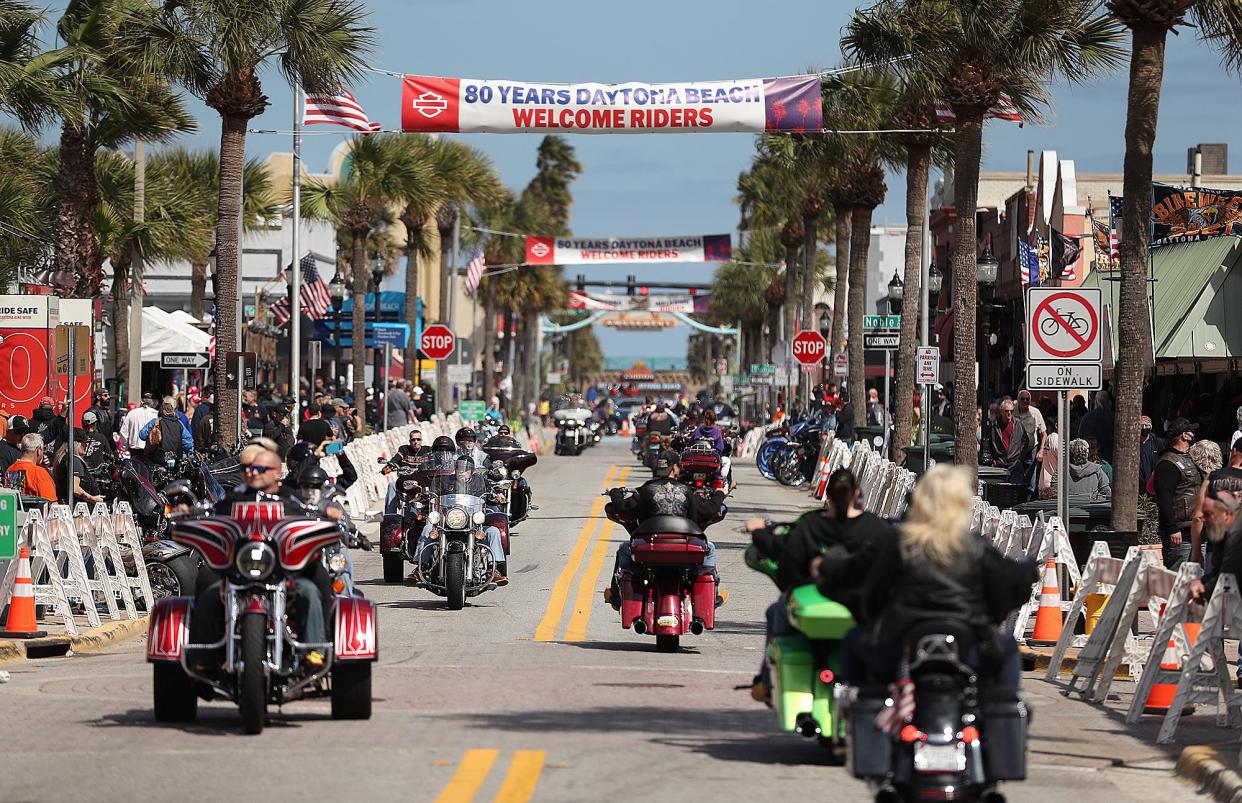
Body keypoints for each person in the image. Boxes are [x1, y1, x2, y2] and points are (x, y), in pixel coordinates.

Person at [829, 465, 1038, 688]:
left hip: (898, 648)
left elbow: (867, 588)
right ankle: (1002, 719)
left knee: (854, 643)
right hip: (966, 647)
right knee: (1007, 656)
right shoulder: (974, 547)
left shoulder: (896, 542)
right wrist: (1026, 572)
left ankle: (862, 714)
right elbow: (1008, 585)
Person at [746, 469, 897, 700]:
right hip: (863, 609)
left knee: (776, 611)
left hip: (815, 606)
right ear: (857, 494)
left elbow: (785, 557)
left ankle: (766, 682)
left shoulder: (811, 525)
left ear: (828, 494)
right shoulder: (876, 528)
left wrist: (758, 533)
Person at [190, 445, 330, 669]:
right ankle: (204, 656)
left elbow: (309, 520)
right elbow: (213, 515)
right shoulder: (234, 498)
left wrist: (326, 517)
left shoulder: (291, 500)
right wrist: (191, 515)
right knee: (207, 588)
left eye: (260, 469)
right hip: (239, 570)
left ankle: (315, 648)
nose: (253, 473)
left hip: (282, 573)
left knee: (311, 591)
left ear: (276, 472)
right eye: (251, 468)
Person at [604, 450, 726, 608]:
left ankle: (616, 597)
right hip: (685, 549)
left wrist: (615, 493)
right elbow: (707, 510)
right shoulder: (686, 490)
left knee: (623, 549)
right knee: (710, 548)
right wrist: (719, 495)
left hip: (650, 549)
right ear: (675, 468)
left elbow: (624, 508)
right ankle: (711, 596)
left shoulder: (646, 490)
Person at [411, 449, 508, 585]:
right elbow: (434, 493)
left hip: (473, 523)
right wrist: (427, 495)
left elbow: (493, 490)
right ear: (455, 470)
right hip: (448, 522)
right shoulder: (445, 481)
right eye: (459, 469)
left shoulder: (480, 482)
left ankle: (494, 570)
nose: (462, 472)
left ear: (471, 471)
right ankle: (421, 568)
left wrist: (497, 493)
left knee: (493, 532)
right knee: (428, 528)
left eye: (466, 470)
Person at [1154, 417, 1202, 570]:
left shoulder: (1190, 458)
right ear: (1184, 436)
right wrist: (1172, 528)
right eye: (1191, 430)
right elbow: (1164, 498)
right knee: (1177, 575)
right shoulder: (1168, 463)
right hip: (1181, 531)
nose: (1194, 433)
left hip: (1195, 527)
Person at [1190, 439, 1242, 567]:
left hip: (1217, 550)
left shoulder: (1212, 477)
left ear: (1234, 451)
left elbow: (1198, 517)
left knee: (1215, 585)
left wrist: (1196, 552)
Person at [988, 399, 1034, 485]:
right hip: (1000, 464)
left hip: (1015, 464)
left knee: (1014, 491)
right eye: (1006, 411)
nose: (1009, 413)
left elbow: (1026, 441)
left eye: (1011, 411)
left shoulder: (1018, 424)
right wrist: (994, 459)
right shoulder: (994, 426)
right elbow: (989, 442)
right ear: (1001, 411)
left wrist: (1019, 459)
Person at [54, 429, 103, 505]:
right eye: (84, 443)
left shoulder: (63, 459)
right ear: (76, 444)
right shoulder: (74, 461)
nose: (86, 446)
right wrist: (92, 499)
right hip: (81, 509)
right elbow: (75, 489)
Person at [139, 398, 194, 466]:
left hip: (157, 459)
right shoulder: (179, 424)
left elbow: (142, 435)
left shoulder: (155, 422)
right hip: (176, 458)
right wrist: (189, 452)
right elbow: (188, 441)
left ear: (161, 411)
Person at [5, 433, 57, 500]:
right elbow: (51, 504)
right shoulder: (40, 473)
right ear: (38, 450)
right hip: (34, 510)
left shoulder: (10, 470)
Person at [689, 409, 732, 487]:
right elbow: (721, 448)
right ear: (714, 420)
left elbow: (689, 444)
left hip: (695, 462)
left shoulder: (698, 430)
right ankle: (724, 480)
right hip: (711, 464)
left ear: (705, 419)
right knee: (727, 461)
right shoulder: (717, 431)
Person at [1077, 390, 1115, 463]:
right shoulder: (1113, 417)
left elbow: (1080, 437)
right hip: (1109, 457)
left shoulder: (1087, 417)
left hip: (1091, 457)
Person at [1015, 390, 1047, 466]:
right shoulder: (1012, 411)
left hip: (1031, 450)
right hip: (1016, 450)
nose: (1025, 401)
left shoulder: (1035, 412)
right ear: (1018, 399)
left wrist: (1041, 450)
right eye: (1022, 399)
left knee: (1031, 476)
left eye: (1027, 399)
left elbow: (1044, 434)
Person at [1140, 415, 1161, 494]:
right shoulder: (1134, 444)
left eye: (1146, 425)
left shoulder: (1156, 443)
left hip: (1152, 481)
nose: (1144, 428)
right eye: (1142, 426)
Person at [1037, 421, 1060, 497]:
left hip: (1044, 482)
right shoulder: (1057, 440)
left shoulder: (1050, 437)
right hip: (1052, 485)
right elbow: (1065, 461)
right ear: (1056, 425)